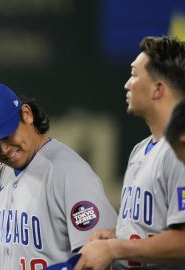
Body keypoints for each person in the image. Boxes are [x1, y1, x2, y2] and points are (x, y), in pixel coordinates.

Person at [0, 83, 118, 270]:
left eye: (7, 134)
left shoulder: (70, 172)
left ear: (26, 114)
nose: (3, 149)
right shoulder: (6, 170)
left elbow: (101, 256)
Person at [75, 36, 185, 270]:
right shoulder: (141, 150)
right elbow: (156, 229)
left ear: (158, 89)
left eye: (134, 74)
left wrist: (115, 249)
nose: (127, 84)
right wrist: (117, 236)